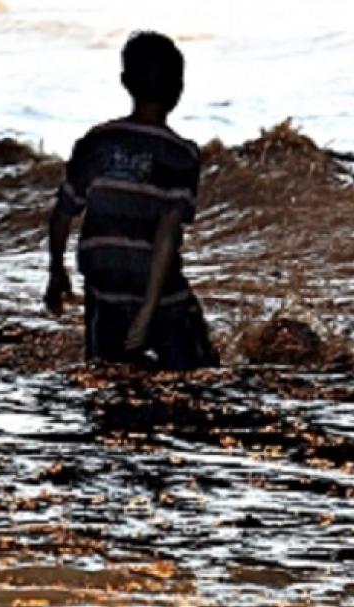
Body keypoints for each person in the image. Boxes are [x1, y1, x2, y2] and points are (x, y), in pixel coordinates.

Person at [44, 31, 218, 370]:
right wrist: (148, 310)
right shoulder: (181, 155)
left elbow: (62, 214)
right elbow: (165, 237)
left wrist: (56, 272)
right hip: (160, 295)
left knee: (107, 372)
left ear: (125, 81)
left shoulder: (96, 142)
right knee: (198, 372)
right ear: (178, 89)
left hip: (104, 283)